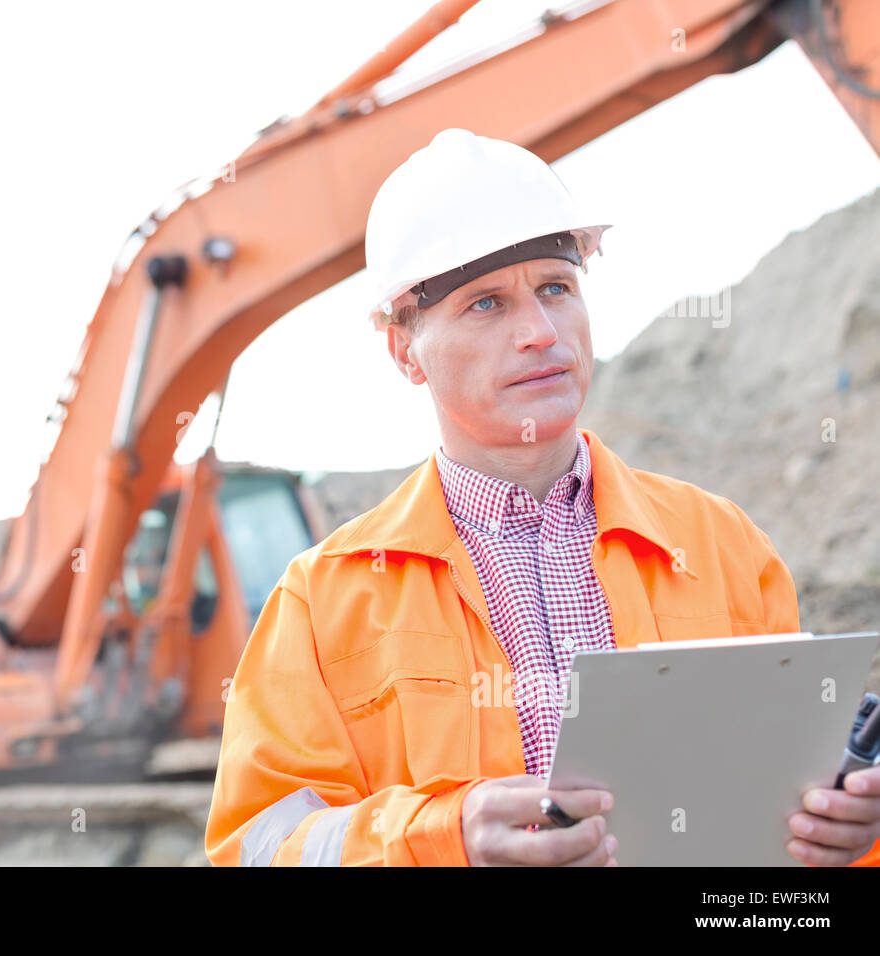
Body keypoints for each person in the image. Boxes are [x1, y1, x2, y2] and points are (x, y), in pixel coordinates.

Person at [204, 128, 880, 867]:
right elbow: (258, 847)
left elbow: (786, 838)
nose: (538, 331)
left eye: (555, 288)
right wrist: (442, 838)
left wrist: (849, 834)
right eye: (486, 304)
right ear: (405, 350)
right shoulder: (320, 602)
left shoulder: (722, 546)